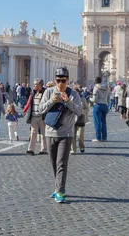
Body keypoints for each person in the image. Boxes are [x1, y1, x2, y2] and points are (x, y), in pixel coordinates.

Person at [39, 67, 82, 203]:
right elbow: (40, 109)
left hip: (66, 133)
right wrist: (52, 100)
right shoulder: (48, 92)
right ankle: (58, 187)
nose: (60, 83)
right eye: (58, 80)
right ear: (55, 80)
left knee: (61, 163)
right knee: (53, 163)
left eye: (63, 80)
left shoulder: (74, 94)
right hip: (50, 132)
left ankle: (59, 190)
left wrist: (68, 101)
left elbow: (79, 111)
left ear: (68, 80)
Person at [23, 78, 47, 155]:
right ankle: (31, 149)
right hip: (33, 116)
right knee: (33, 133)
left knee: (43, 134)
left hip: (42, 116)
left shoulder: (45, 93)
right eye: (34, 84)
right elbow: (29, 102)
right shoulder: (32, 93)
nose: (34, 86)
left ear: (40, 85)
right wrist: (25, 110)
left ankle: (44, 149)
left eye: (35, 84)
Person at [91, 77, 110, 142]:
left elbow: (94, 99)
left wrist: (90, 99)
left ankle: (98, 137)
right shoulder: (107, 88)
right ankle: (104, 137)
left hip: (98, 105)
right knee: (104, 122)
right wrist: (108, 106)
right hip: (105, 105)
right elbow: (108, 98)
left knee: (97, 122)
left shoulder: (96, 88)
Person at [71, 89, 89, 154]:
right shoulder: (70, 99)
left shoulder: (83, 99)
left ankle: (82, 146)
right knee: (72, 135)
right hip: (72, 119)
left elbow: (87, 108)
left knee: (80, 135)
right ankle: (73, 150)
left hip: (81, 119)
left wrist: (82, 112)